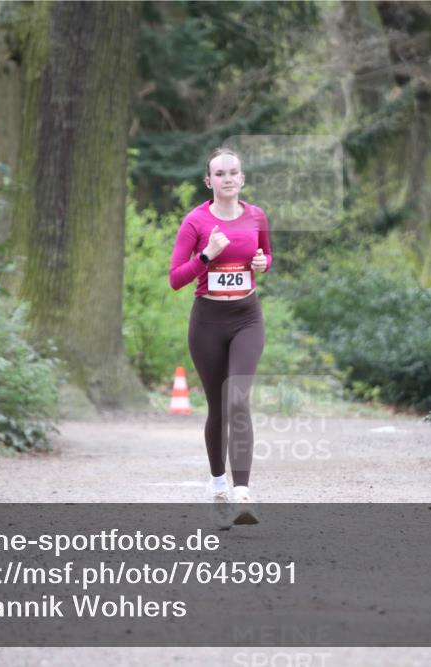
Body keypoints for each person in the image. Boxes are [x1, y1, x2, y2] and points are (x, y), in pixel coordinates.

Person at [168, 147, 272, 528]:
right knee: (218, 408)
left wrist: (263, 263)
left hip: (247, 317)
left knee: (238, 400)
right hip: (208, 321)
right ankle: (218, 487)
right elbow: (176, 278)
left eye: (234, 172)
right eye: (220, 173)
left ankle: (243, 494)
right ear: (208, 181)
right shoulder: (195, 222)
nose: (228, 179)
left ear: (242, 178)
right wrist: (207, 255)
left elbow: (266, 257)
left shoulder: (256, 215)